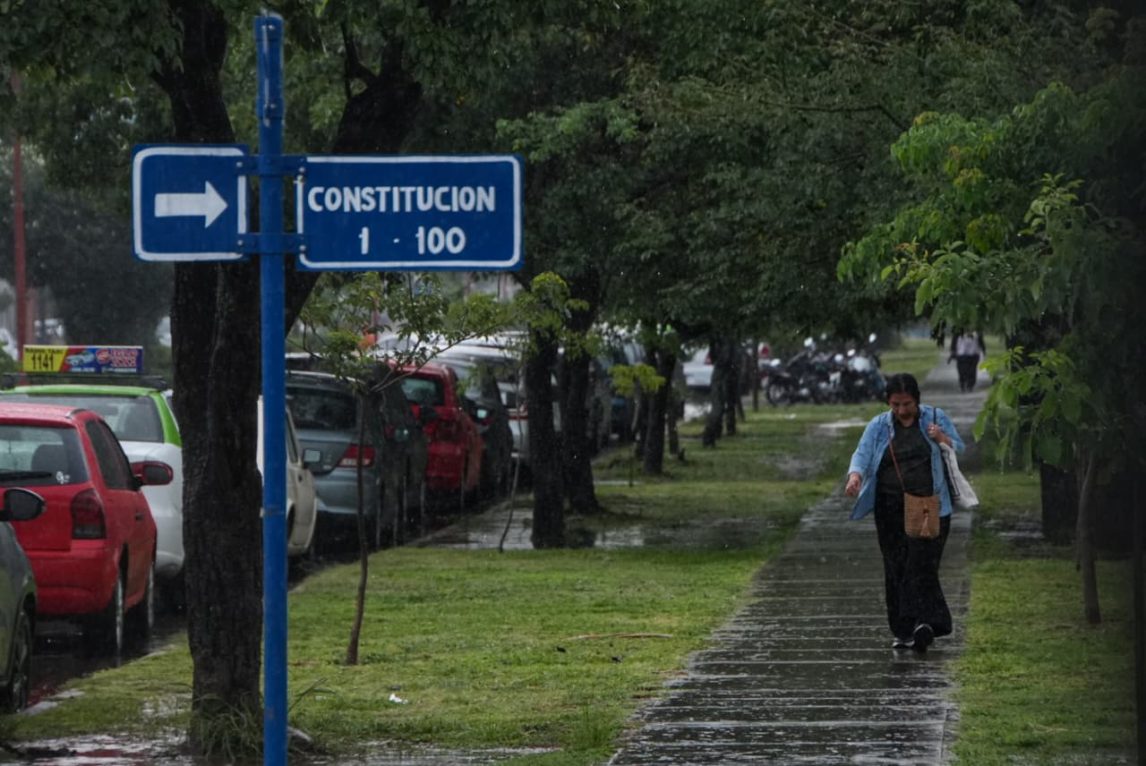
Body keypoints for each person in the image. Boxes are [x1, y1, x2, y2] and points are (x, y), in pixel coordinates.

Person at [843, 373, 965, 652]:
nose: (901, 411)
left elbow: (958, 448)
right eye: (895, 405)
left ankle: (925, 623)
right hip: (889, 509)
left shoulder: (934, 418)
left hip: (930, 506)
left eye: (907, 404)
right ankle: (904, 630)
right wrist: (855, 476)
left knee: (921, 565)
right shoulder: (878, 426)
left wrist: (941, 437)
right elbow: (861, 454)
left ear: (917, 401)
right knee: (896, 566)